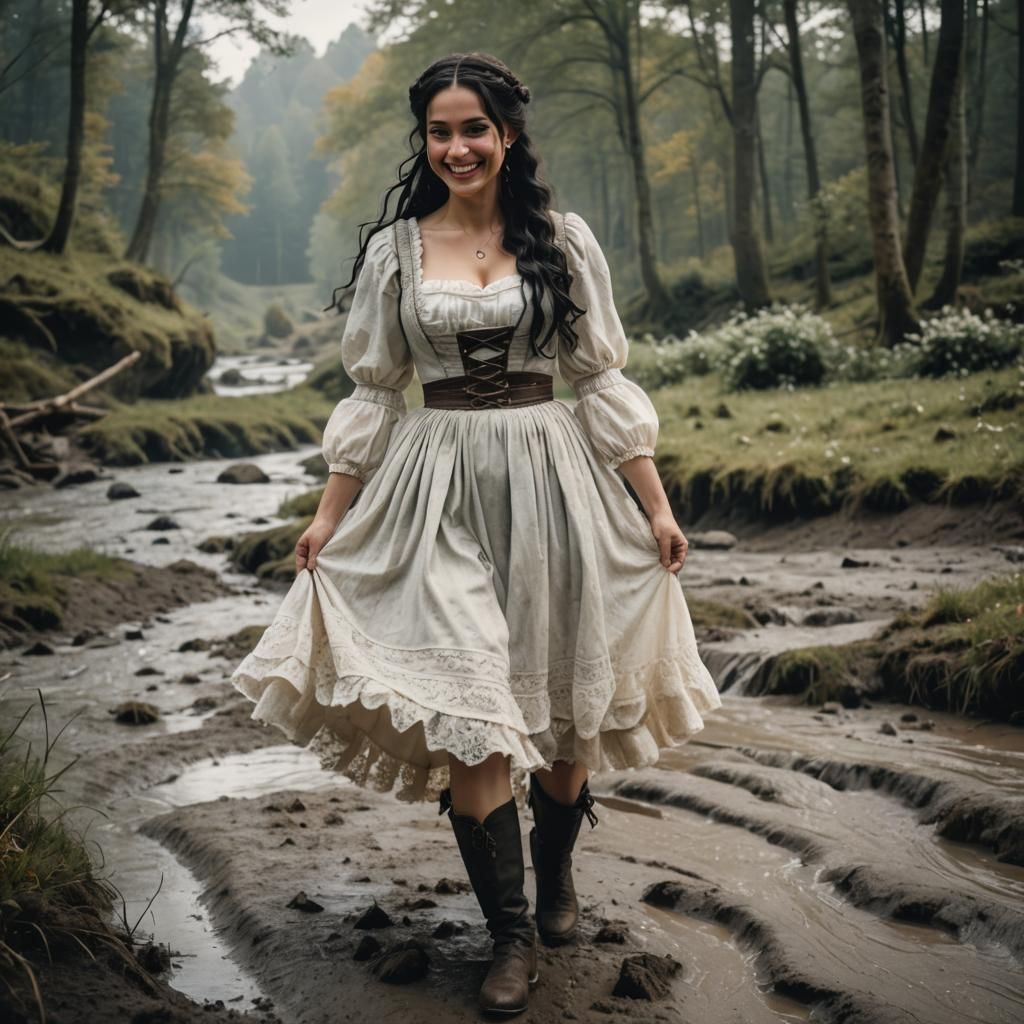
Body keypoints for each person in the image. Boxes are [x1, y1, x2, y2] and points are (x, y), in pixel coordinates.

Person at [230, 51, 721, 1018]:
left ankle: (559, 869)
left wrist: (656, 507)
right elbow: (373, 391)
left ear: (506, 137)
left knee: (568, 700)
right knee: (469, 711)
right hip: (435, 485)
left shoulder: (564, 242)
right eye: (439, 132)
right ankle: (511, 935)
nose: (456, 147)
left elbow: (601, 383)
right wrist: (327, 520)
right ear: (425, 142)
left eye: (473, 129)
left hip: (556, 480)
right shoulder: (396, 253)